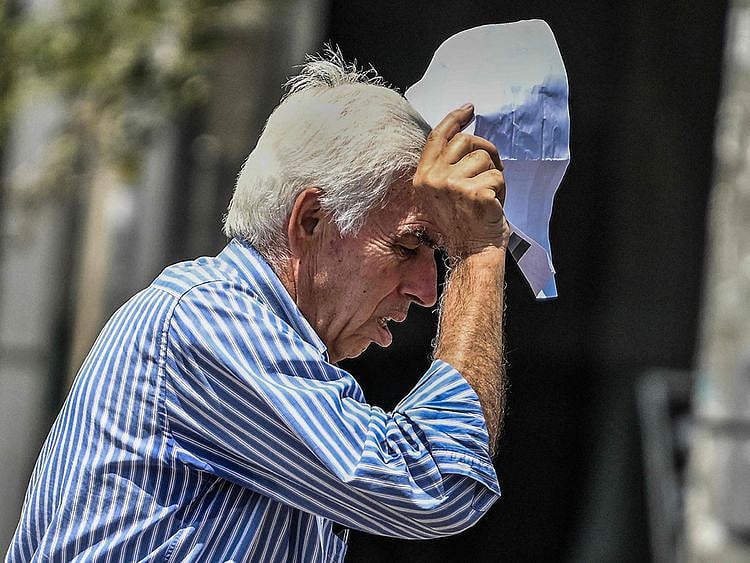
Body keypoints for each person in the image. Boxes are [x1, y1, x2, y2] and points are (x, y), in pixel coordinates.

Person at [7, 50, 509, 563]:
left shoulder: (247, 339)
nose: (428, 289)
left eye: (438, 254)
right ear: (311, 220)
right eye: (408, 245)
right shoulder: (207, 320)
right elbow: (434, 482)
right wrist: (478, 253)